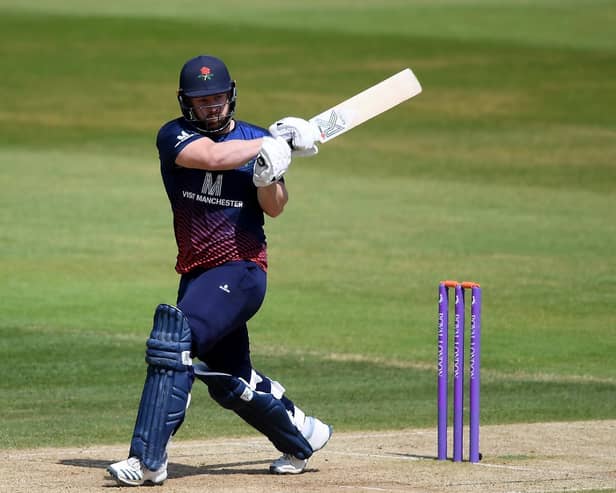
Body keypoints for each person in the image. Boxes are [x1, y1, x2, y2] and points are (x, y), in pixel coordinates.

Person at [107, 55, 331, 486]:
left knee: (172, 342)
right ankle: (302, 436)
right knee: (228, 378)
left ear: (232, 96)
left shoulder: (256, 140)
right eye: (201, 100)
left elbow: (276, 208)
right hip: (197, 271)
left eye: (218, 98)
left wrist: (268, 174)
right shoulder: (174, 135)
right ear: (186, 103)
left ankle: (147, 460)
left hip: (242, 269)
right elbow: (211, 157)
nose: (212, 107)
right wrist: (272, 142)